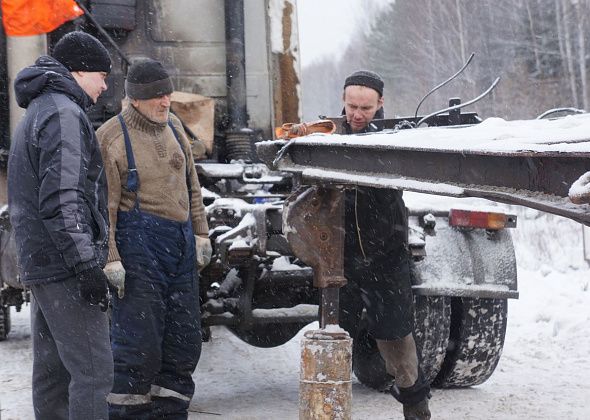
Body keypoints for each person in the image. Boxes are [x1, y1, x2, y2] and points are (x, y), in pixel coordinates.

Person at [97, 58, 212, 419]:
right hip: (138, 253)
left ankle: (170, 413)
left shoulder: (175, 126)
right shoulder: (110, 138)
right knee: (138, 347)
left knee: (183, 343)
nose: (165, 102)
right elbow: (106, 211)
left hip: (179, 249)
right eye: (156, 97)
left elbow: (192, 186)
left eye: (167, 94)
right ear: (134, 99)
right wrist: (111, 257)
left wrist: (201, 232)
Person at [8, 31, 113, 419]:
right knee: (94, 372)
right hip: (64, 265)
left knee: (52, 374)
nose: (105, 85)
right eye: (102, 75)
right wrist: (85, 263)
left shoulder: (40, 109)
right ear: (80, 71)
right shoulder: (64, 113)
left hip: (43, 262)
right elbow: (62, 198)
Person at [339, 70, 431, 420]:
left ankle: (417, 410)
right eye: (351, 106)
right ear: (343, 102)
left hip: (385, 259)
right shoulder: (325, 140)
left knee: (398, 344)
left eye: (365, 107)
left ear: (380, 105)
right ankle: (327, 410)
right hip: (340, 263)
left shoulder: (394, 140)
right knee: (332, 345)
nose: (358, 114)